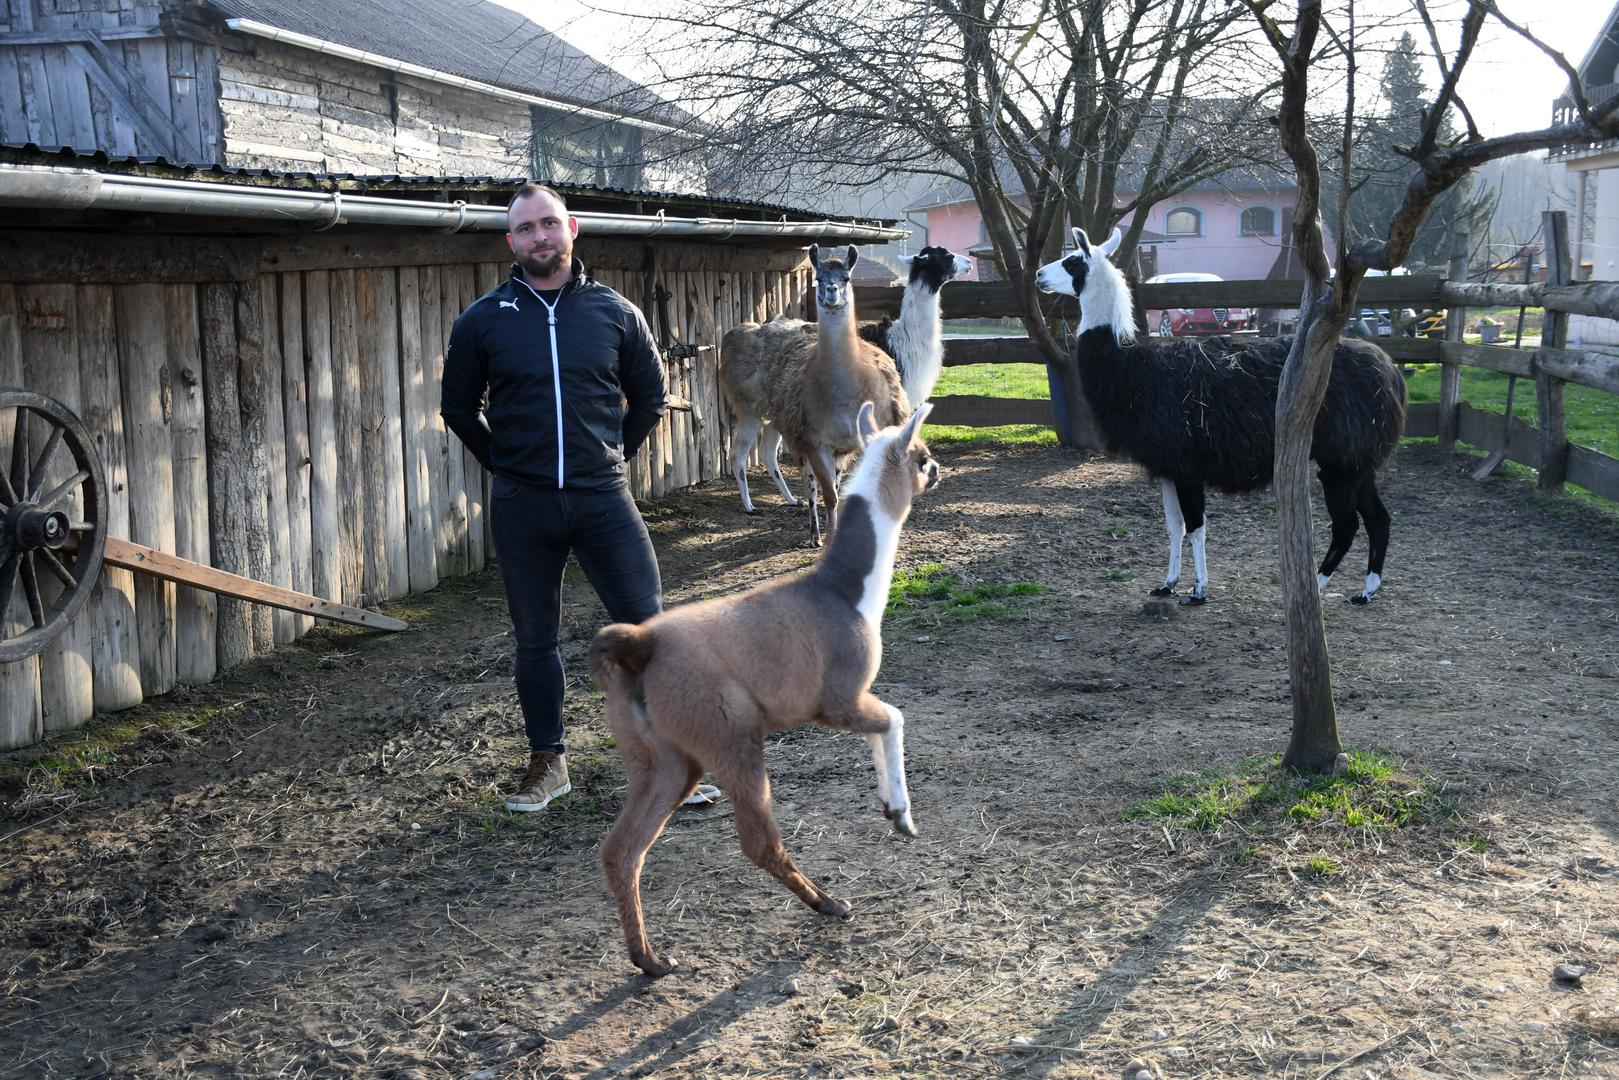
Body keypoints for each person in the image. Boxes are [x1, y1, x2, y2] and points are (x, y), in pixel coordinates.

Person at [442, 184, 717, 812]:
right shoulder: (482, 320)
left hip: (602, 501)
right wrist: (507, 467)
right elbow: (457, 409)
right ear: (511, 242)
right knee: (534, 638)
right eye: (525, 230)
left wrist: (610, 459)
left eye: (548, 224)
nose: (539, 238)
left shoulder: (616, 313)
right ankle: (549, 762)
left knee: (647, 628)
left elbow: (648, 398)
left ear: (573, 228)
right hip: (524, 506)